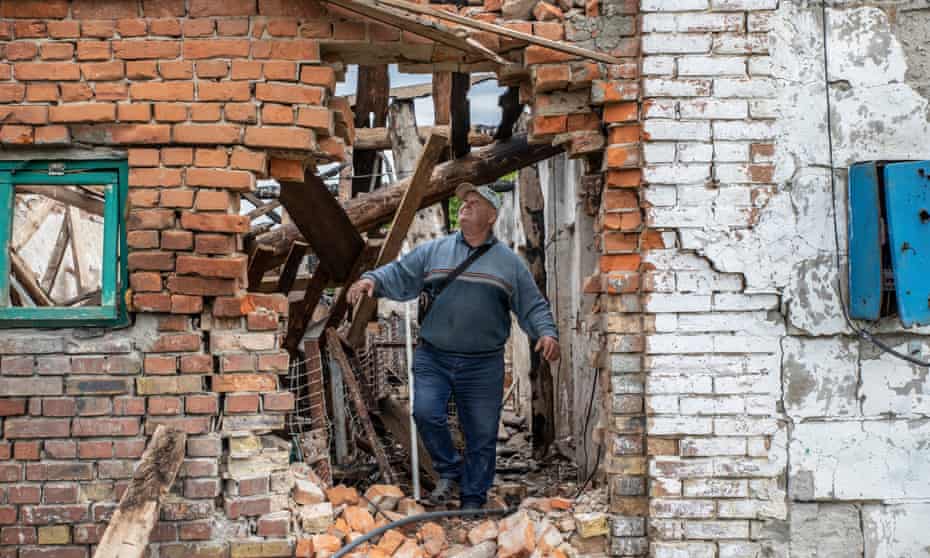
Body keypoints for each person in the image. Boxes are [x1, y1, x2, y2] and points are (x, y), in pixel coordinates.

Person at [347, 182, 560, 510]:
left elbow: (532, 305)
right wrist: (372, 280)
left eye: (475, 202)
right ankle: (450, 469)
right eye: (464, 202)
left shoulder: (508, 263)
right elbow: (401, 273)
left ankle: (472, 503)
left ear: (492, 216)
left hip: (483, 363)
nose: (465, 205)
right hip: (434, 355)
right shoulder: (435, 251)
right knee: (426, 412)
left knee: (482, 435)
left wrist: (546, 333)